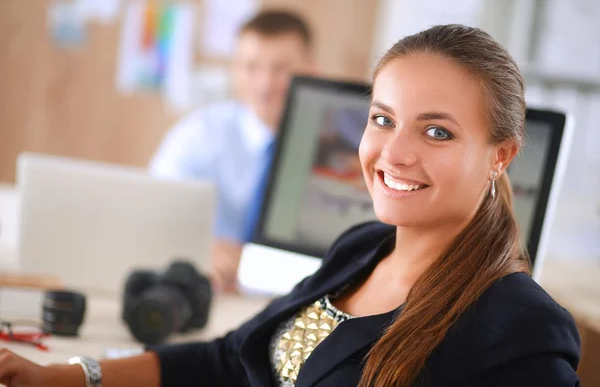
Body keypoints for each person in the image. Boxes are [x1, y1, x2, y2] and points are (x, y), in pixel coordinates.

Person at [0, 24, 581, 387]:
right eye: (383, 119)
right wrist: (68, 377)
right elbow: (231, 359)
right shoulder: (362, 248)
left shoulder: (520, 325)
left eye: (437, 133)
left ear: (501, 155)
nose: (393, 153)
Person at [148, 10, 314, 292]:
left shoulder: (341, 147)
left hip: (294, 296)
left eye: (281, 68)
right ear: (234, 70)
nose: (265, 83)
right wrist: (199, 247)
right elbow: (154, 208)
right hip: (210, 291)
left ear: (311, 69)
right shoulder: (200, 133)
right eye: (251, 67)